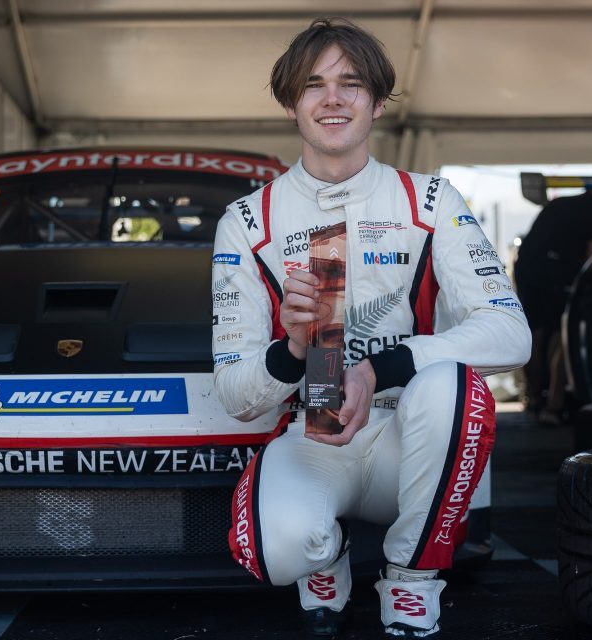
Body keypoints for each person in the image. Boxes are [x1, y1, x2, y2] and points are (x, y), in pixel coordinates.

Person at [211, 17, 531, 638]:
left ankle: (411, 580)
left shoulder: (430, 200)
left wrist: (382, 366)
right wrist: (293, 349)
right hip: (315, 434)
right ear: (290, 103)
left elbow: (511, 335)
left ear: (378, 102)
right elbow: (234, 396)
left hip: (408, 439)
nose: (333, 99)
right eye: (314, 84)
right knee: (280, 550)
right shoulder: (248, 222)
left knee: (456, 389)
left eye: (351, 83)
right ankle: (322, 555)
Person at [514, 189, 592, 424]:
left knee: (535, 337)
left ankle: (534, 398)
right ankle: (554, 406)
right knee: (563, 336)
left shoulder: (561, 204)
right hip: (559, 277)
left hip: (529, 272)